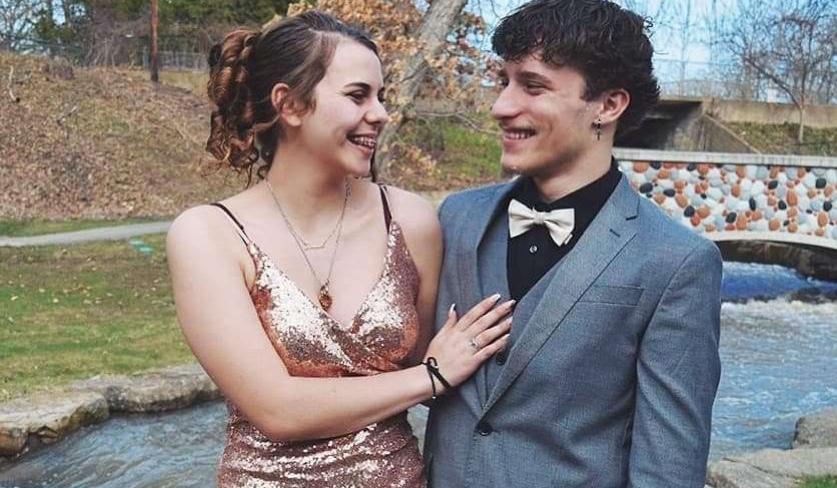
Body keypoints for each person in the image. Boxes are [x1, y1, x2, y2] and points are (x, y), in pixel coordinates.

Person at [166, 11, 511, 487]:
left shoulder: (411, 222)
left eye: (381, 96)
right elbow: (277, 410)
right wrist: (433, 376)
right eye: (357, 95)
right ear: (289, 104)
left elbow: (427, 362)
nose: (381, 114)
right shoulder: (209, 235)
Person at [423, 0, 723, 486]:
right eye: (503, 82)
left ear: (608, 105)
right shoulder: (455, 218)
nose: (501, 106)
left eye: (532, 86)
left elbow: (667, 468)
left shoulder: (677, 261)